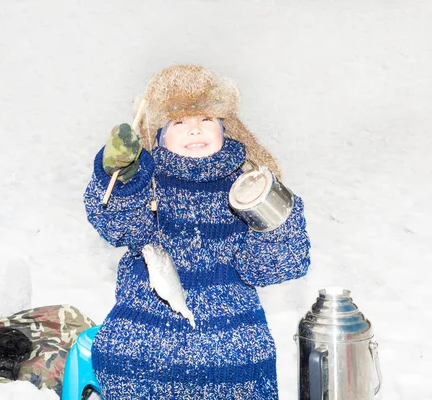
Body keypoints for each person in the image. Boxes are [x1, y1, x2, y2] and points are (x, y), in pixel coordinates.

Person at [84, 64, 311, 399]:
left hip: (231, 344)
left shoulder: (246, 187)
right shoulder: (148, 186)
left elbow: (271, 266)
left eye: (206, 119)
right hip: (145, 340)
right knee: (124, 355)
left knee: (242, 362)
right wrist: (123, 180)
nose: (194, 129)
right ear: (158, 136)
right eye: (179, 122)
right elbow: (120, 226)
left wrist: (274, 217)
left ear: (226, 130)